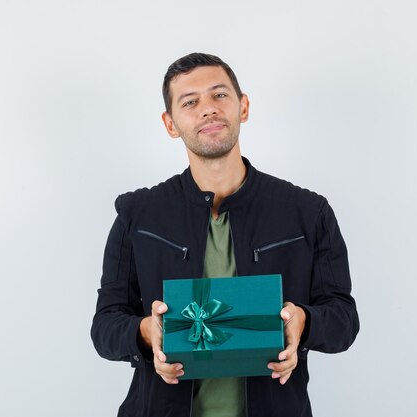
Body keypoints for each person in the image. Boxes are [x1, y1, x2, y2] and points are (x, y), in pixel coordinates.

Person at [91, 52, 359, 417]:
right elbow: (104, 326)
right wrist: (145, 332)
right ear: (171, 124)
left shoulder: (307, 212)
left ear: (242, 107)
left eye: (219, 95)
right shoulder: (138, 215)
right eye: (190, 102)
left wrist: (304, 322)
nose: (207, 109)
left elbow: (343, 319)